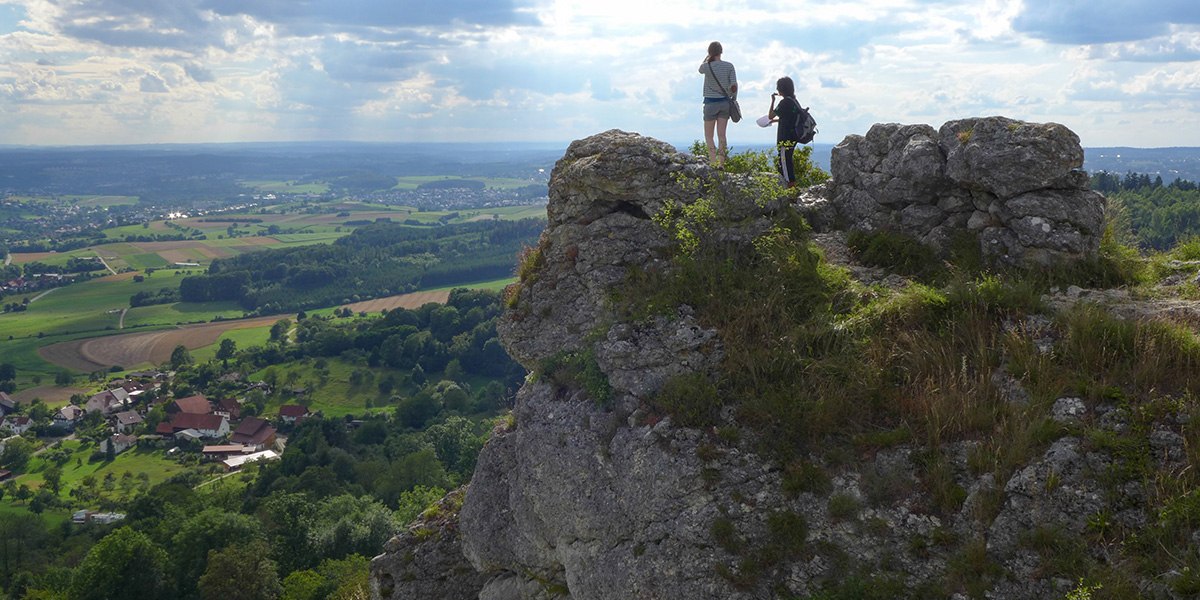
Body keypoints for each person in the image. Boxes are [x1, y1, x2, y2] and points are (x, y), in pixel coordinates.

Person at [699, 41, 737, 167]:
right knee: (722, 135)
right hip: (725, 103)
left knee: (709, 136)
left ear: (709, 52)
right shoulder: (729, 66)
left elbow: (700, 69)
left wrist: (708, 57)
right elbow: (734, 86)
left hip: (710, 103)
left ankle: (713, 161)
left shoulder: (706, 67)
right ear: (721, 51)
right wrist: (733, 98)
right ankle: (721, 164)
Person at [768, 76, 800, 188]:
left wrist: (772, 101)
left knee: (784, 163)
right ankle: (791, 188)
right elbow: (788, 118)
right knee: (787, 161)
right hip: (793, 137)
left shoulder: (784, 102)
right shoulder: (794, 101)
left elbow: (770, 115)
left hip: (785, 138)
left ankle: (790, 190)